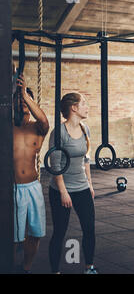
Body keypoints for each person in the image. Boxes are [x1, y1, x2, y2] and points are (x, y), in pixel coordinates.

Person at [48, 92, 98, 274]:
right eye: (83, 103)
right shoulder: (59, 133)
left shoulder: (85, 129)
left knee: (89, 228)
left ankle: (89, 268)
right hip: (62, 189)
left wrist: (90, 184)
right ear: (74, 108)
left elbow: (86, 159)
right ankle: (55, 271)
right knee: (60, 232)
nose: (87, 106)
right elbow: (55, 165)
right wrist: (63, 192)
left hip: (82, 187)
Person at [13, 72, 49, 273]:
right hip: (13, 187)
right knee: (12, 236)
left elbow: (44, 120)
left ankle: (26, 269)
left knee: (35, 233)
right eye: (18, 100)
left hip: (33, 187)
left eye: (26, 100)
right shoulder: (8, 128)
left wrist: (25, 93)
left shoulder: (38, 128)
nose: (23, 104)